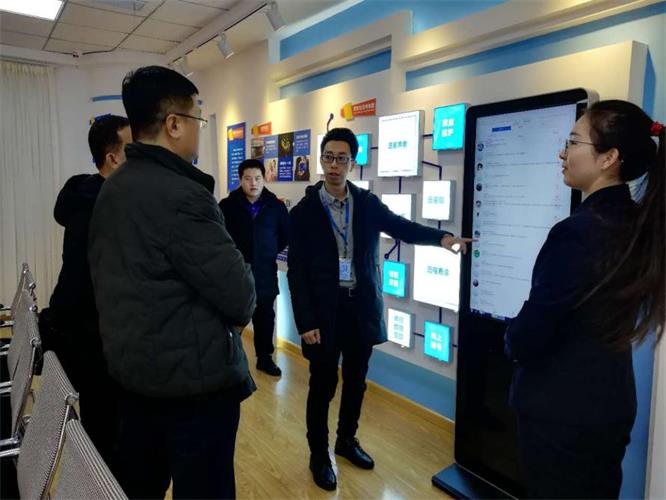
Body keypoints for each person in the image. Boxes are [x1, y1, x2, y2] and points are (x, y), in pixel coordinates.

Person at [88, 66, 256, 500]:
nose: (200, 129)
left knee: (139, 486)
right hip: (193, 390)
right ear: (174, 124)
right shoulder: (182, 195)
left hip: (135, 377)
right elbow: (240, 295)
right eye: (198, 118)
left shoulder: (113, 188)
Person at [288, 127, 473, 491]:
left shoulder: (367, 203)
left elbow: (401, 227)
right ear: (321, 160)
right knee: (322, 385)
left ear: (353, 163)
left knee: (356, 382)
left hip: (360, 308)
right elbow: (297, 271)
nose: (334, 165)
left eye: (342, 159)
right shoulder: (304, 212)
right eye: (329, 158)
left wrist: (442, 238)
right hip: (323, 313)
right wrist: (305, 320)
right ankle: (318, 453)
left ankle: (346, 440)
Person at [505, 100, 664, 499]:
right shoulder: (638, 223)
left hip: (561, 410)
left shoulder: (577, 232)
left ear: (609, 158)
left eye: (573, 142)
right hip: (610, 403)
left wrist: (511, 336)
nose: (563, 153)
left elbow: (532, 331)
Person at [42, 114, 131, 471]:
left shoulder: (82, 193)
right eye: (133, 148)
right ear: (113, 157)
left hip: (80, 328)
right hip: (93, 337)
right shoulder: (108, 207)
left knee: (101, 429)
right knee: (104, 435)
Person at [219, 159, 289, 376]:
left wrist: (268, 251)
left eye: (257, 178)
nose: (253, 183)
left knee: (265, 317)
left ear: (264, 178)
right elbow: (219, 237)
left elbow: (285, 236)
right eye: (248, 179)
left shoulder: (275, 206)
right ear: (240, 180)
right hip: (237, 272)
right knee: (234, 316)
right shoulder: (227, 206)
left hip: (265, 272)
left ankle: (264, 358)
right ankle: (228, 358)